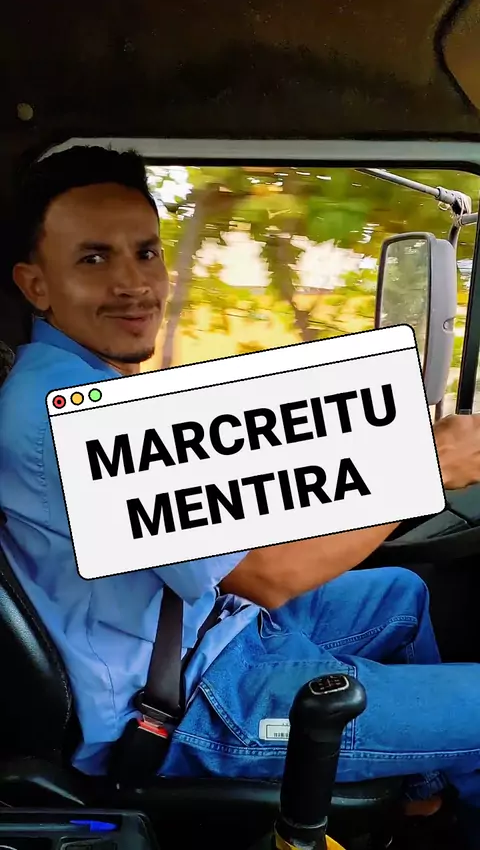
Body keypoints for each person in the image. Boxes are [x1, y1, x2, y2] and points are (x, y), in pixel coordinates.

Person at [1, 146, 480, 840]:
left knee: (399, 595)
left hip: (201, 633)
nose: (133, 283)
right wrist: (425, 469)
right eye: (94, 259)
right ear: (36, 285)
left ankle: (419, 801)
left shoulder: (80, 380)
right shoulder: (66, 415)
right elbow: (265, 575)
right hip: (185, 705)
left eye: (145, 252)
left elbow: (231, 500)